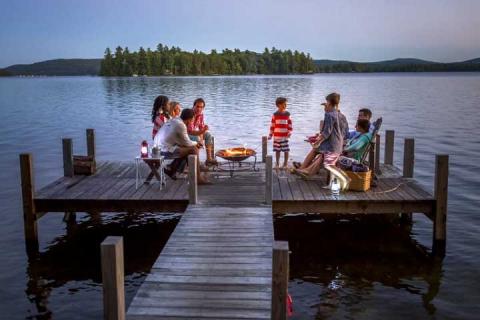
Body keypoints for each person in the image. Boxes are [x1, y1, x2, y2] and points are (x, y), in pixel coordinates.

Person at [293, 93, 344, 177]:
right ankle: (304, 170)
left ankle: (304, 170)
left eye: (326, 101)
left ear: (329, 103)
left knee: (316, 148)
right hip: (337, 144)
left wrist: (318, 141)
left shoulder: (330, 115)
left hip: (331, 146)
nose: (325, 103)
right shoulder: (337, 113)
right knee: (316, 150)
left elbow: (327, 132)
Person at [155, 108, 210, 184]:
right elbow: (188, 143)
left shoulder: (174, 120)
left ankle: (172, 169)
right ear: (189, 119)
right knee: (193, 150)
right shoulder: (181, 125)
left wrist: (193, 143)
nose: (191, 122)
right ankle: (198, 179)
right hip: (163, 151)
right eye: (192, 121)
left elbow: (183, 142)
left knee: (186, 149)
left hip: (156, 148)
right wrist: (197, 143)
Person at [187, 98, 217, 166]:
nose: (199, 109)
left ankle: (209, 159)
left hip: (194, 133)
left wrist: (201, 138)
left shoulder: (201, 115)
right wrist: (200, 139)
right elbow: (190, 131)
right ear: (193, 106)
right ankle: (197, 163)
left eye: (201, 107)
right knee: (197, 138)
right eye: (197, 106)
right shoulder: (190, 114)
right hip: (186, 134)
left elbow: (201, 128)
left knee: (208, 135)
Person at [268, 97, 293, 169]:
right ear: (278, 105)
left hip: (285, 136)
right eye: (283, 105)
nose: (285, 106)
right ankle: (277, 163)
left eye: (286, 105)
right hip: (277, 136)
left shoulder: (287, 114)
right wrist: (270, 135)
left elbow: (290, 125)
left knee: (286, 150)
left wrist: (290, 132)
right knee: (277, 151)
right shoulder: (275, 114)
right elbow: (272, 126)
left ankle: (285, 164)